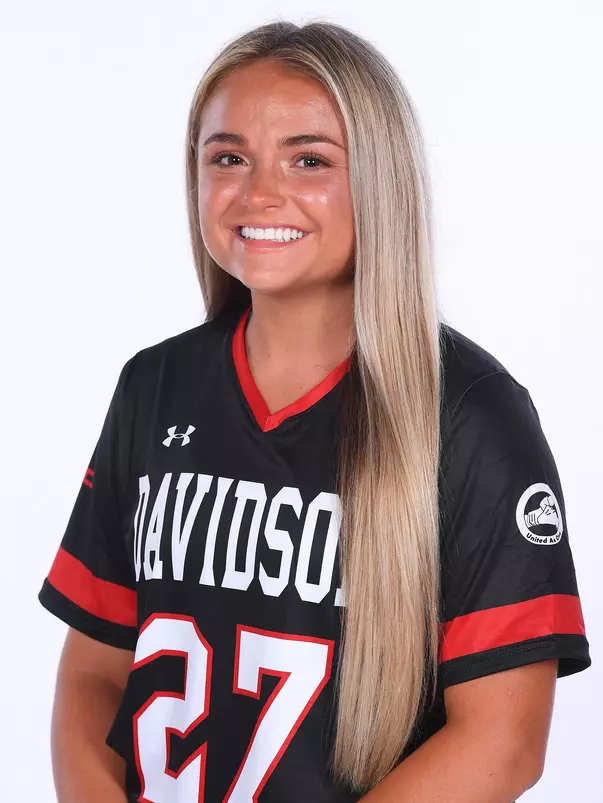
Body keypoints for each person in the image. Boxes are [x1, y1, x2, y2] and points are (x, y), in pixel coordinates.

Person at [38, 19, 591, 803]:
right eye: (227, 157)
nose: (259, 192)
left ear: (380, 178)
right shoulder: (154, 386)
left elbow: (502, 742)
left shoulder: (470, 415)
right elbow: (93, 669)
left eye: (309, 159)